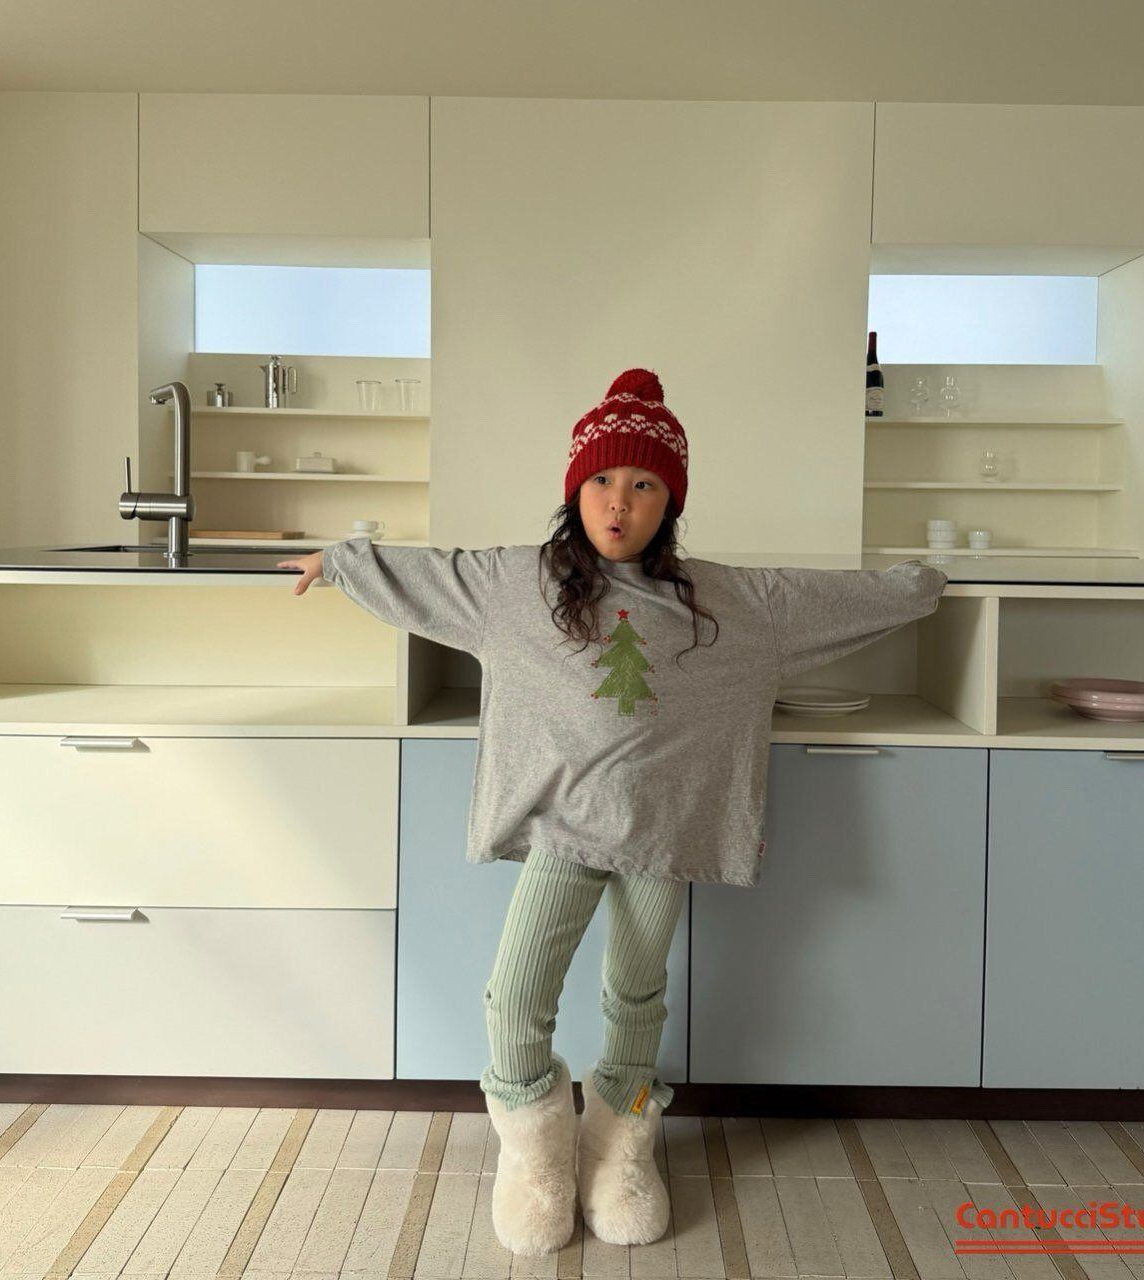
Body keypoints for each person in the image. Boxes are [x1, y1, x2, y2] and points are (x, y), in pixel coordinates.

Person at [277, 367, 949, 1257]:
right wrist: (341, 563)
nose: (618, 502)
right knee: (517, 997)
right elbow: (430, 572)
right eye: (601, 480)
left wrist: (920, 583)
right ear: (575, 489)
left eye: (642, 484)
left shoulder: (727, 601)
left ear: (670, 502)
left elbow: (834, 599)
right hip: (566, 828)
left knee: (637, 994)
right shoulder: (517, 585)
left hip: (665, 833)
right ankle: (536, 1157)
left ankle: (619, 1150)